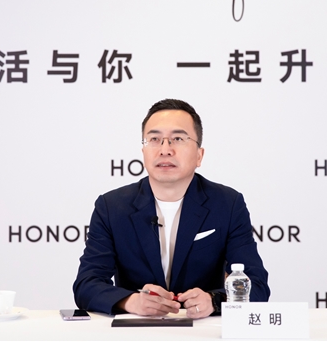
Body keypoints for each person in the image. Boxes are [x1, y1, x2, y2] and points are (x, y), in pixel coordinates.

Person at [73, 99, 270, 318]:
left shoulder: (227, 204)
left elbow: (257, 285)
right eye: (154, 139)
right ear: (143, 151)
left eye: (178, 139)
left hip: (202, 329)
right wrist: (131, 302)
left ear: (199, 155)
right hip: (136, 330)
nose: (165, 150)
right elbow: (86, 285)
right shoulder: (111, 207)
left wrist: (214, 301)